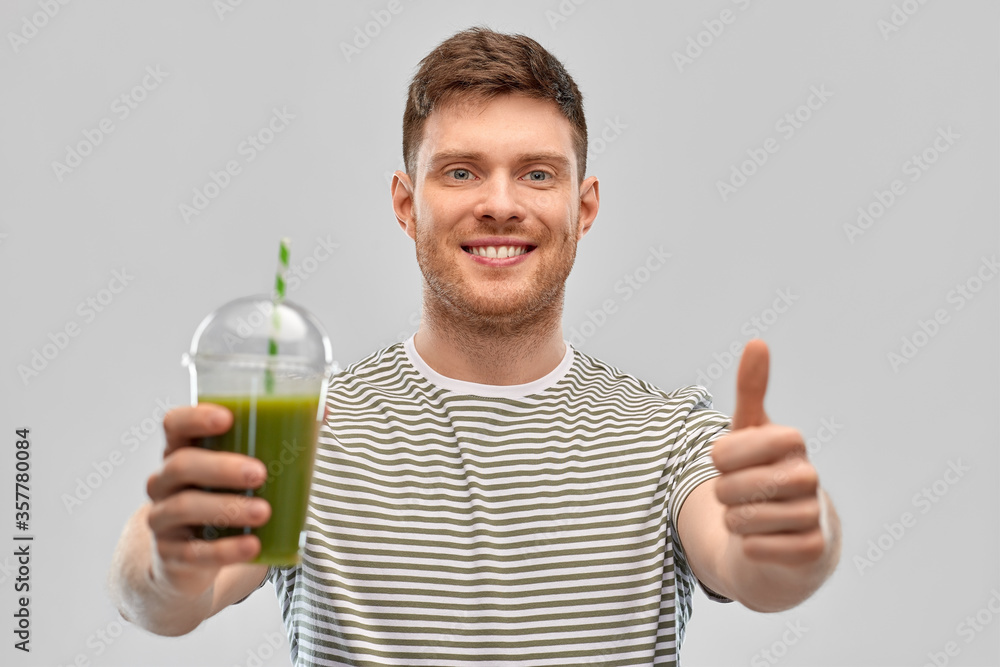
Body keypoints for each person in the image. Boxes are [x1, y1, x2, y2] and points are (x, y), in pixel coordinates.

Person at [109, 27, 841, 665]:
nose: (500, 202)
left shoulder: (667, 435)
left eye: (537, 173)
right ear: (407, 204)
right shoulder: (306, 431)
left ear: (582, 208)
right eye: (461, 171)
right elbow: (165, 597)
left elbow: (762, 567)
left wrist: (798, 537)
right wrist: (167, 559)